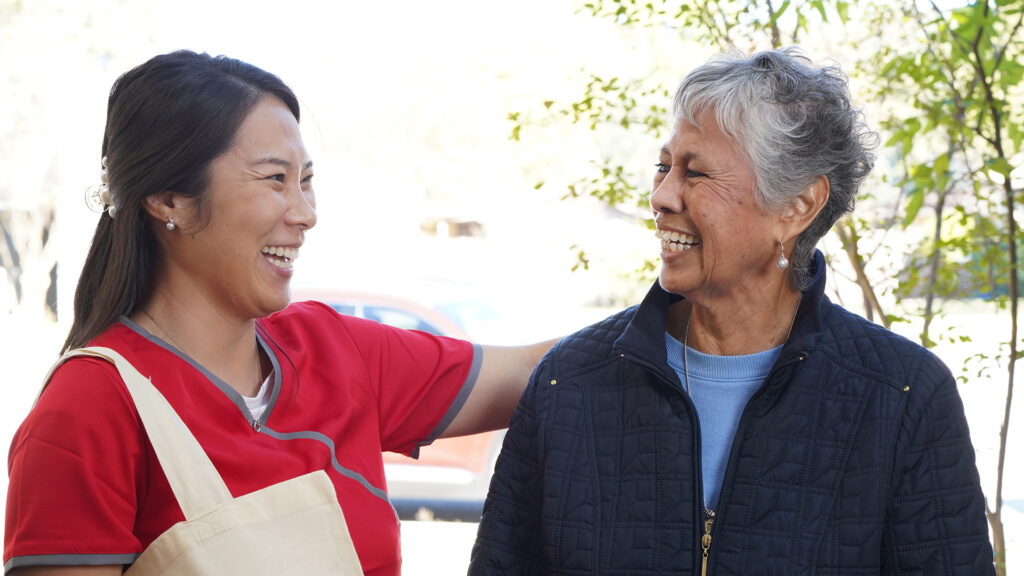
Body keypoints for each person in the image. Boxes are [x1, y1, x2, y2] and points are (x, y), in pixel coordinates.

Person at [3, 50, 554, 576]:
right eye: (275, 179)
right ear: (169, 200)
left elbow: (542, 371)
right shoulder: (90, 407)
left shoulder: (336, 350)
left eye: (306, 181)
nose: (306, 213)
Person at [469, 47, 996, 575]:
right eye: (663, 167)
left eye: (696, 173)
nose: (662, 196)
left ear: (798, 206)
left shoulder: (901, 395)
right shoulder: (569, 382)